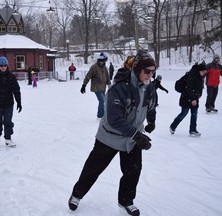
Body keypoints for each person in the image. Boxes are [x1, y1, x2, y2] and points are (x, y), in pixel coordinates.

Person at [69, 50, 157, 216]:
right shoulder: (119, 88)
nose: (150, 75)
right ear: (137, 70)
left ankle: (126, 201)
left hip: (131, 139)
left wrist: (151, 120)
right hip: (109, 137)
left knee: (133, 171)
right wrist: (137, 135)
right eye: (147, 71)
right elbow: (114, 119)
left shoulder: (149, 87)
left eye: (153, 71)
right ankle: (77, 194)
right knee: (93, 169)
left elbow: (151, 104)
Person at [169, 61, 207, 136]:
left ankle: (192, 130)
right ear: (200, 70)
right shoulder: (192, 75)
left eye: (205, 72)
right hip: (186, 98)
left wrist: (198, 95)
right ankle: (172, 126)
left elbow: (199, 87)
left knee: (194, 114)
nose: (204, 73)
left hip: (195, 98)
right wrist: (193, 99)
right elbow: (188, 88)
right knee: (184, 113)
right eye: (203, 71)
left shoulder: (200, 76)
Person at [80, 52, 111, 119]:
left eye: (103, 61)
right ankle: (101, 116)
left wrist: (109, 85)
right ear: (98, 60)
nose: (102, 62)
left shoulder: (105, 68)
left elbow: (107, 76)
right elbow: (88, 76)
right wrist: (84, 85)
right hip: (96, 87)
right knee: (102, 101)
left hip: (103, 87)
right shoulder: (94, 67)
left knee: (104, 101)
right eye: (101, 61)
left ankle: (100, 115)